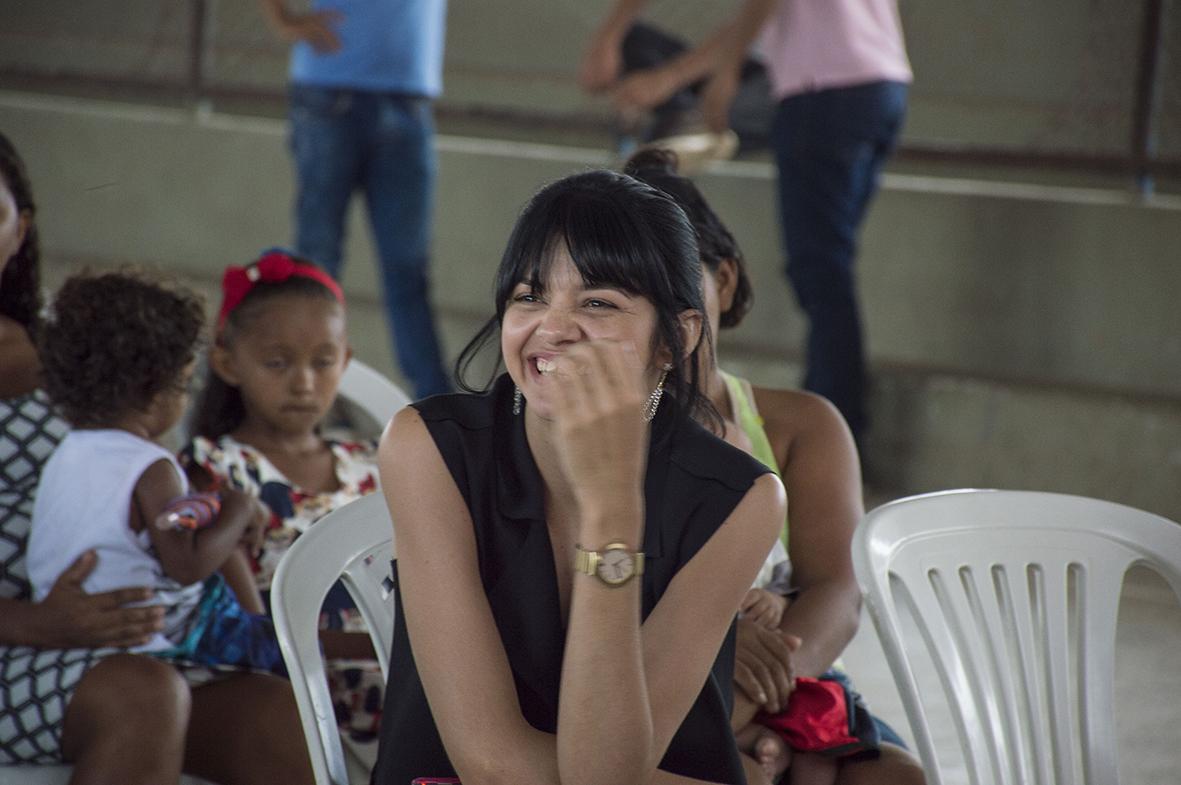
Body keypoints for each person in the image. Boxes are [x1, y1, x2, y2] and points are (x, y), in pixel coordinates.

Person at [370, 169, 785, 785]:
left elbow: (608, 770)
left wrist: (612, 507)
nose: (553, 328)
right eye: (529, 296)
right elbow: (491, 763)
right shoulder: (429, 448)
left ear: (677, 338)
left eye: (598, 303)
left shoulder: (740, 500)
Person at [0, 131, 311, 785]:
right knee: (146, 695)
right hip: (25, 646)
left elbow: (172, 499)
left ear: (20, 226)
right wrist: (34, 621)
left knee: (281, 717)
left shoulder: (81, 348)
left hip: (125, 639)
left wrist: (250, 622)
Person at [625, 148, 925, 785]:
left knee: (896, 776)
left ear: (724, 281)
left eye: (673, 285)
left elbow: (838, 592)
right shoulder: (593, 438)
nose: (653, 317)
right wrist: (715, 649)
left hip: (791, 681)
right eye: (621, 296)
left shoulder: (799, 428)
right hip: (649, 687)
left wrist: (754, 697)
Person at [581, 0, 912, 447]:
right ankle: (836, 408)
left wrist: (721, 72)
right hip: (882, 86)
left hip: (822, 89)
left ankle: (838, 422)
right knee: (829, 267)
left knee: (819, 269)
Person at [28, 269, 286, 676]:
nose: (187, 397)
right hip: (153, 642)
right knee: (276, 654)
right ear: (153, 391)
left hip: (71, 643)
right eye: (184, 384)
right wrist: (239, 506)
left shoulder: (67, 454)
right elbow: (186, 564)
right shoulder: (151, 468)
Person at [182, 249, 382, 737]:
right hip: (290, 693)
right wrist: (386, 646)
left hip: (399, 689)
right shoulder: (217, 472)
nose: (304, 383)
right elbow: (250, 631)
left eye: (323, 361)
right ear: (228, 363)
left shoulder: (377, 464)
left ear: (346, 360)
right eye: (277, 362)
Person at [258, 0, 452, 398]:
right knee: (317, 263)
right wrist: (282, 18)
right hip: (331, 91)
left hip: (408, 97)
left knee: (408, 270)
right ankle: (298, 395)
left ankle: (440, 412)